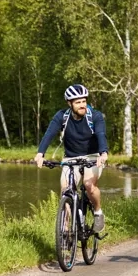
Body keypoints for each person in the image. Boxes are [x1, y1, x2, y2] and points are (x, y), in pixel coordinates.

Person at [34, 84, 109, 233]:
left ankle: (98, 212)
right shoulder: (62, 116)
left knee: (89, 184)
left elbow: (101, 134)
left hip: (93, 156)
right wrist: (40, 153)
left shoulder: (95, 116)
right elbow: (49, 134)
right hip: (70, 158)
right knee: (65, 189)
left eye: (83, 101)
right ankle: (66, 228)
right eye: (77, 102)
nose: (82, 105)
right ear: (69, 103)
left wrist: (103, 153)